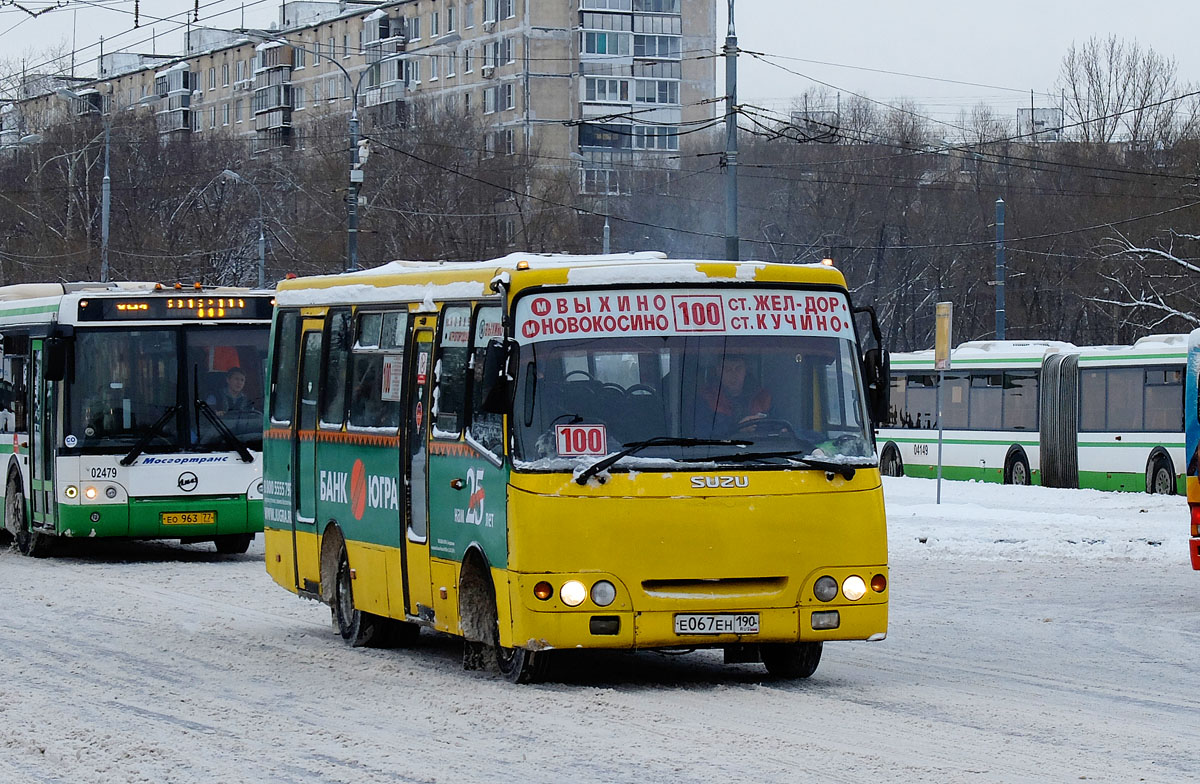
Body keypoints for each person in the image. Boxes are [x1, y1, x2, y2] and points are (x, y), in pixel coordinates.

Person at [698, 354, 771, 436]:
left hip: (762, 447)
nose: (733, 375)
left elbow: (777, 424)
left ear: (745, 370)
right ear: (718, 371)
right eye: (727, 370)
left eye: (738, 369)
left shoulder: (762, 397)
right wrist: (737, 428)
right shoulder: (706, 399)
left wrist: (782, 430)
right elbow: (702, 434)